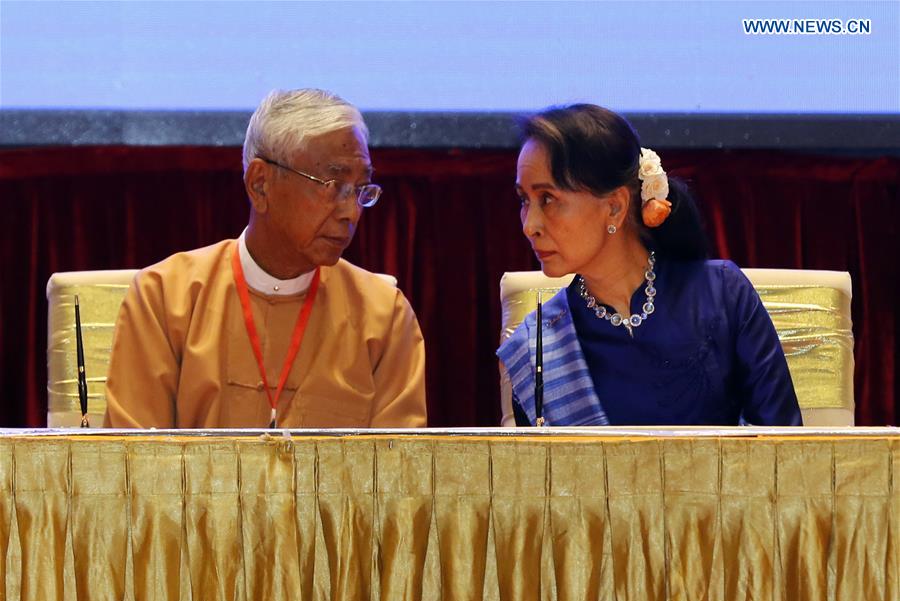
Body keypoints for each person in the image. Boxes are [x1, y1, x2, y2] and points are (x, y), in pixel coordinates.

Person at [104, 89, 427, 428]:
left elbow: (398, 472)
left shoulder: (383, 316)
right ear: (260, 184)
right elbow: (131, 465)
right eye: (333, 184)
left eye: (361, 189)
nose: (352, 212)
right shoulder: (164, 299)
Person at [498, 104, 801, 426]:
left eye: (548, 199)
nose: (529, 225)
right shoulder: (538, 347)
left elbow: (784, 448)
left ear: (614, 207)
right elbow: (542, 473)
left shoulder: (723, 293)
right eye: (524, 201)